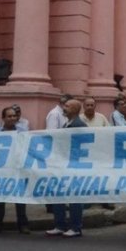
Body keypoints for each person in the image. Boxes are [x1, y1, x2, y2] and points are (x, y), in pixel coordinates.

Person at [46, 99, 87, 237]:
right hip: (63, 165)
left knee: (74, 197)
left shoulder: (79, 125)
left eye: (68, 106)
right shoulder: (67, 123)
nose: (64, 108)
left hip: (73, 166)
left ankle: (75, 227)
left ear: (75, 109)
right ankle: (60, 225)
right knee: (59, 195)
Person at [0, 106, 30, 234]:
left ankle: (23, 224)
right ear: (3, 118)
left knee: (20, 199)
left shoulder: (23, 133)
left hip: (18, 169)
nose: (12, 118)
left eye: (14, 116)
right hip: (2, 170)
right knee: (0, 199)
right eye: (9, 116)